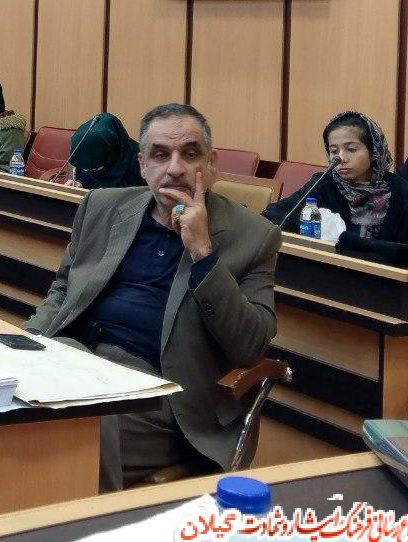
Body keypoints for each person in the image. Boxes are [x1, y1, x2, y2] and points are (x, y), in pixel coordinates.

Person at [24, 103, 279, 491]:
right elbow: (63, 290)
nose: (174, 168)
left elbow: (251, 345)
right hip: (77, 359)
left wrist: (203, 253)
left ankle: (100, 522)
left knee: (76, 428)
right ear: (142, 165)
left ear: (211, 164)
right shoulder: (102, 206)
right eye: (160, 155)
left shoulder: (254, 236)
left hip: (165, 396)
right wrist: (27, 342)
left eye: (189, 154)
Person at [264, 111, 408, 243]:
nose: (341, 158)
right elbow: (277, 216)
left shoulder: (405, 195)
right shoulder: (325, 183)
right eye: (334, 151)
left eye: (351, 149)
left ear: (374, 152)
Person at [64, 113, 144, 189]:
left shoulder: (140, 161)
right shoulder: (80, 152)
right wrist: (79, 185)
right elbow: (83, 179)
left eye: (94, 169)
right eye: (83, 168)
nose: (86, 171)